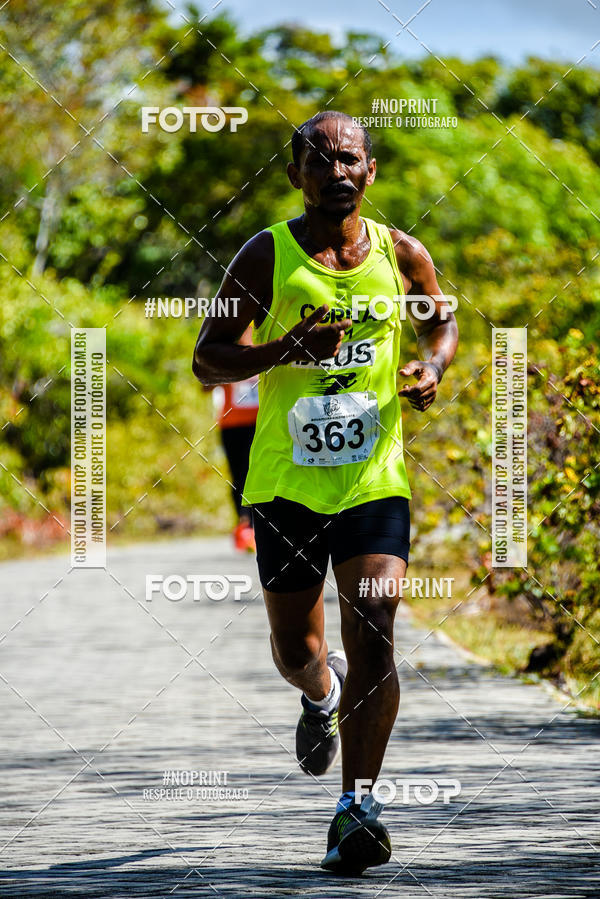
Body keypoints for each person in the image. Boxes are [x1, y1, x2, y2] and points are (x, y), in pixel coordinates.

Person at [193, 110, 458, 875]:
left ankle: (358, 806)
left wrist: (432, 367)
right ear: (295, 175)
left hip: (375, 477)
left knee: (374, 618)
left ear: (370, 172)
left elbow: (439, 322)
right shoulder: (265, 255)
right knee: (296, 649)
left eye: (350, 159)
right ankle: (319, 695)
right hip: (286, 484)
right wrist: (284, 348)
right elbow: (208, 359)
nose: (336, 170)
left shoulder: (403, 254)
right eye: (319, 159)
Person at [206, 325, 258, 551]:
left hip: (261, 422)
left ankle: (259, 525)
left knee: (261, 472)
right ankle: (244, 525)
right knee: (239, 475)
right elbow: (205, 385)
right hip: (231, 424)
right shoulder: (226, 346)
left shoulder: (265, 342)